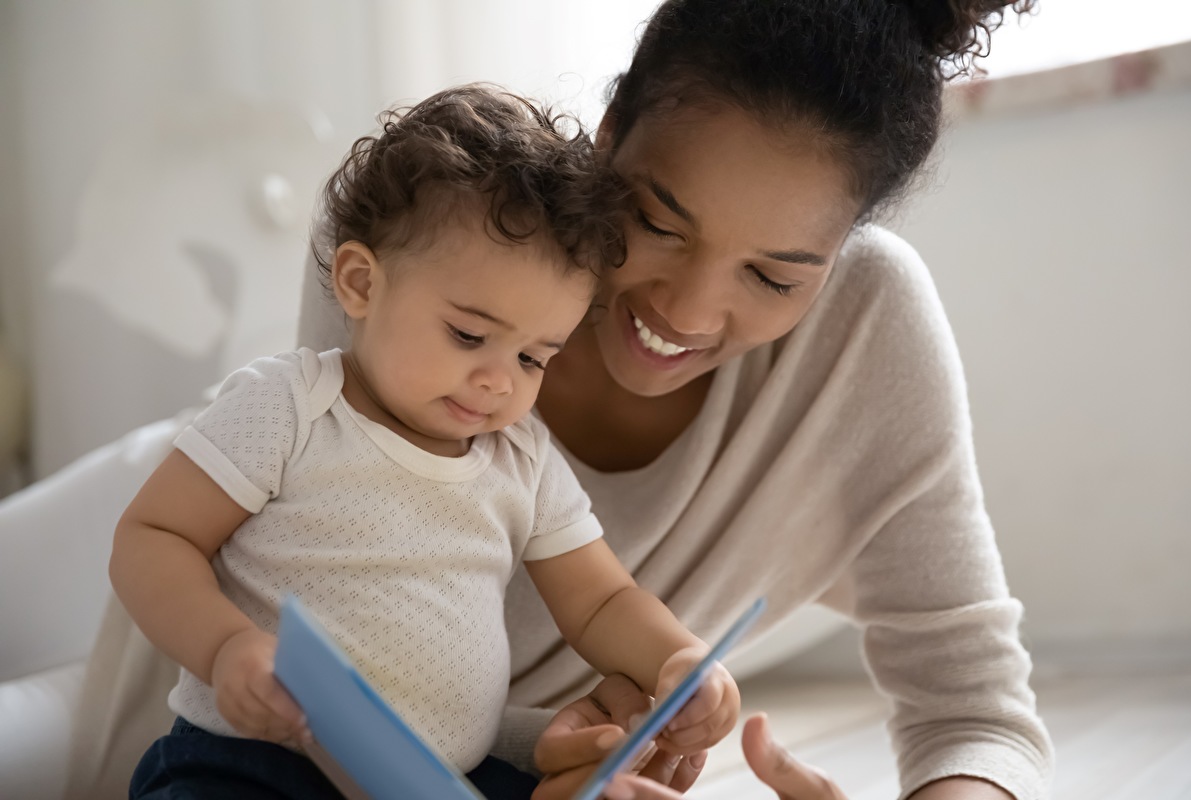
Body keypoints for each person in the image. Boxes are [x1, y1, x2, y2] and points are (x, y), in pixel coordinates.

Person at [52, 0, 1054, 798]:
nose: (688, 311)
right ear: (608, 134)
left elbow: (971, 699)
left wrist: (653, 692)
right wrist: (231, 647)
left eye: (776, 277)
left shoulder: (866, 327)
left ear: (838, 263)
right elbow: (344, 581)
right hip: (193, 567)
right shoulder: (430, 228)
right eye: (657, 222)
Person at [107, 85, 740, 800]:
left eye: (535, 357)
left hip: (444, 782)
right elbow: (152, 537)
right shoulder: (291, 407)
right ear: (360, 283)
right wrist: (224, 647)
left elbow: (601, 603)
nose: (500, 381)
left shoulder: (521, 460)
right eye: (469, 335)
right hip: (259, 762)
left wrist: (680, 662)